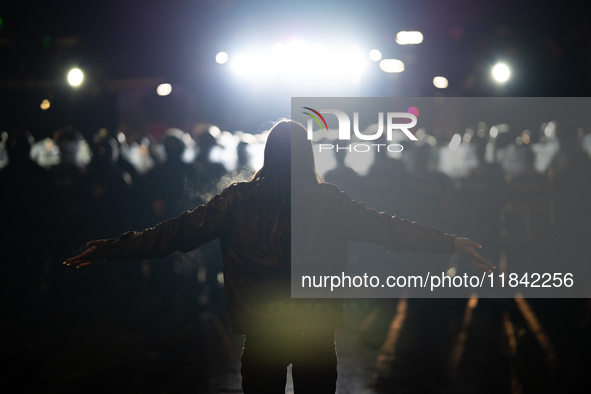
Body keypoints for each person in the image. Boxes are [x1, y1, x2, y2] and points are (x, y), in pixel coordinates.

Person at [64, 120, 494, 393]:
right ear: (307, 155)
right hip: (315, 330)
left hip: (263, 330)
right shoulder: (329, 201)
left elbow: (175, 233)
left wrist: (113, 249)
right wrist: (449, 241)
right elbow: (389, 229)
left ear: (269, 154)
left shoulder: (238, 200)